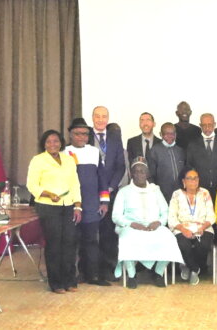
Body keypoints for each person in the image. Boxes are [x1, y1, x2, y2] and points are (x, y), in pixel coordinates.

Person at [112, 157, 184, 289]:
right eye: (136, 171)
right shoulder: (124, 192)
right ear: (131, 174)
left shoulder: (155, 190)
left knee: (169, 238)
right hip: (132, 227)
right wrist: (131, 224)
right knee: (126, 240)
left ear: (147, 174)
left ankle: (158, 273)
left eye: (142, 171)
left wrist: (159, 222)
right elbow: (116, 216)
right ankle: (132, 275)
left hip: (153, 226)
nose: (139, 174)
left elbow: (165, 211)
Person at [26, 130, 82, 294]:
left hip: (68, 204)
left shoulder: (68, 159)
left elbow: (75, 184)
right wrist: (48, 194)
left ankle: (70, 281)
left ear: (61, 143)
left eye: (56, 141)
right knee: (54, 244)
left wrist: (78, 205)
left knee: (70, 242)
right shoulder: (38, 160)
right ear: (44, 144)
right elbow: (32, 185)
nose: (53, 144)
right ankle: (56, 283)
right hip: (48, 206)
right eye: (49, 142)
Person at [65, 118, 111, 286]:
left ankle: (92, 275)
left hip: (92, 204)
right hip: (71, 205)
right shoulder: (64, 152)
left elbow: (102, 177)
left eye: (85, 134)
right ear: (70, 134)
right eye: (77, 133)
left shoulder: (94, 152)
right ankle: (72, 276)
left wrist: (104, 201)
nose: (81, 137)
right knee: (72, 242)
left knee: (91, 241)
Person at [90, 106, 126, 281]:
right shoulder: (85, 137)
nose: (101, 120)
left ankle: (109, 268)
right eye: (97, 116)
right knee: (89, 232)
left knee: (108, 232)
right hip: (89, 193)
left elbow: (120, 166)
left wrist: (110, 187)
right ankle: (89, 269)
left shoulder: (114, 138)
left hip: (110, 193)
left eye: (104, 117)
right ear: (92, 118)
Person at [167, 168, 215, 285]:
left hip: (203, 227)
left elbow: (211, 216)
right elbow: (172, 217)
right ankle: (194, 269)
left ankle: (188, 266)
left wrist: (202, 228)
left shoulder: (205, 193)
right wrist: (183, 230)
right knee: (184, 244)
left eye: (196, 178)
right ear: (183, 180)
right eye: (190, 178)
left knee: (203, 245)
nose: (193, 181)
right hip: (182, 228)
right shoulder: (176, 194)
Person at [186, 113, 217, 199]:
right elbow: (189, 167)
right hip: (200, 189)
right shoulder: (193, 144)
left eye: (210, 125)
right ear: (200, 125)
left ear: (214, 125)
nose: (207, 128)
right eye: (204, 125)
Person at [147, 122, 186, 202]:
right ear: (160, 134)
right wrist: (155, 192)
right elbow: (150, 175)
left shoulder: (180, 151)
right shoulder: (155, 151)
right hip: (162, 194)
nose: (170, 136)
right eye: (166, 133)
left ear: (175, 134)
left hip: (181, 193)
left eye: (172, 133)